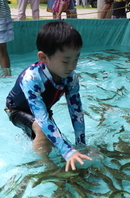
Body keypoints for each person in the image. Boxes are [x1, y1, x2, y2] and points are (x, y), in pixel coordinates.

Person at [4, 21, 92, 171]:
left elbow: (76, 112)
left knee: (53, 140)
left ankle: (39, 145)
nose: (72, 66)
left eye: (76, 59)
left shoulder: (71, 78)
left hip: (42, 109)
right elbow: (42, 119)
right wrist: (67, 151)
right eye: (65, 61)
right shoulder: (32, 78)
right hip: (16, 110)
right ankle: (45, 166)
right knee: (42, 128)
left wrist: (80, 145)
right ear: (43, 57)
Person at [0, 0, 14, 77]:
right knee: (2, 49)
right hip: (3, 17)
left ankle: (7, 75)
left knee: (2, 48)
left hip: (2, 18)